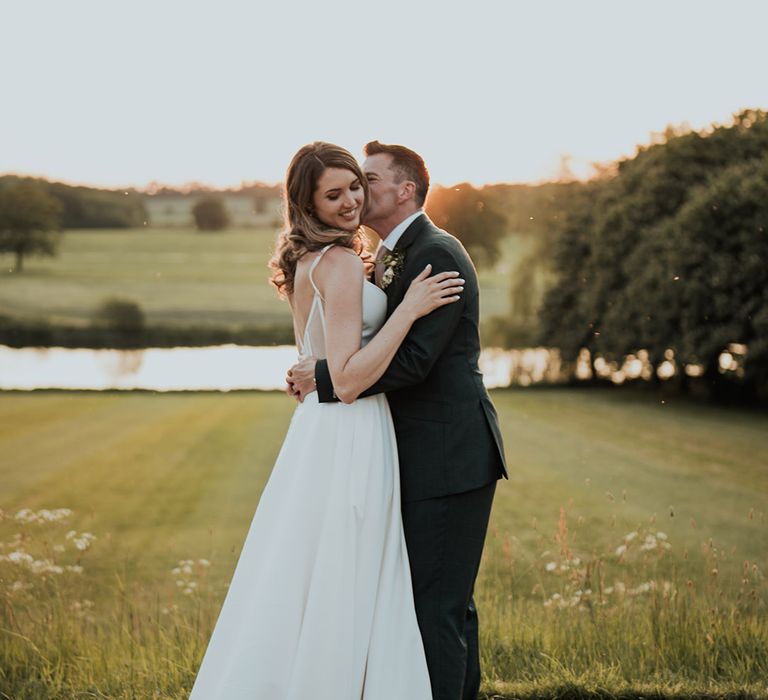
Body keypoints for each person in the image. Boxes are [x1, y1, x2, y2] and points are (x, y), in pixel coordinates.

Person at [187, 141, 465, 699]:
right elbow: (350, 376)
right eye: (333, 195)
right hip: (351, 428)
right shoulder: (338, 263)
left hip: (322, 429)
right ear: (308, 205)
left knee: (313, 564)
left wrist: (312, 369)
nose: (350, 202)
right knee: (348, 565)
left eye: (355, 187)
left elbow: (323, 364)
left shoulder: (311, 260)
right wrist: (408, 309)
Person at [286, 141, 508, 700]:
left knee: (437, 604)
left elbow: (412, 362)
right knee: (440, 599)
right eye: (343, 187)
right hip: (411, 450)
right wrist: (323, 368)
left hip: (448, 455)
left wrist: (329, 378)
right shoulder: (385, 255)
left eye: (368, 180)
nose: (358, 192)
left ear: (404, 189)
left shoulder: (438, 254)